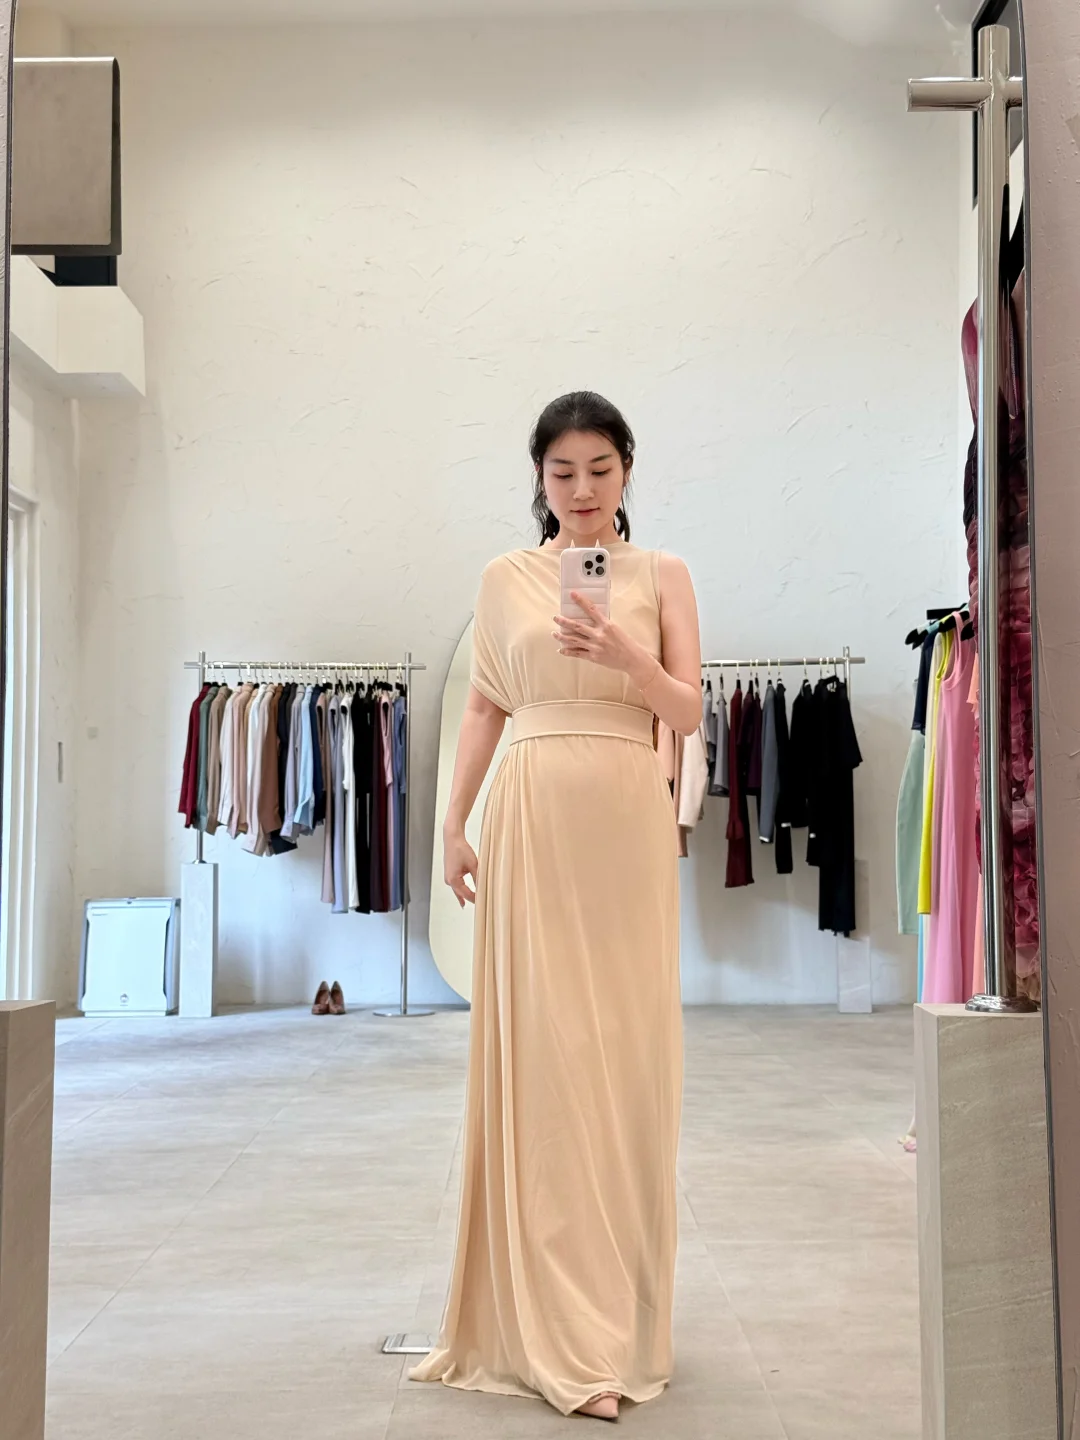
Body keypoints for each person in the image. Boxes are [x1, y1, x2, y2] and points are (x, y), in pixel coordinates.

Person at [409, 391, 701, 1422]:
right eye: (562, 472)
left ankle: (615, 1316)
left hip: (625, 820)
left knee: (622, 1055)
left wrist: (628, 658)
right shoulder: (505, 579)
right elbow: (485, 703)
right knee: (546, 1057)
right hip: (530, 813)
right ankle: (555, 1327)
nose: (581, 490)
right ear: (539, 478)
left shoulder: (663, 574)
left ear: (628, 472)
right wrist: (453, 824)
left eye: (600, 470)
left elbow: (688, 710)